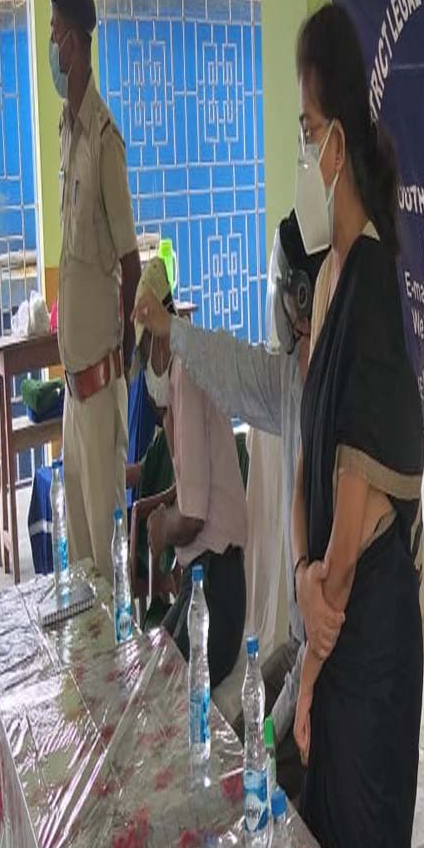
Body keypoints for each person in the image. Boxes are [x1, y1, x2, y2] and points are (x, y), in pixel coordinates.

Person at [288, 3, 424, 848]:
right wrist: (302, 578)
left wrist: (310, 651)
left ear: (336, 142)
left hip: (366, 647)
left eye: (306, 131)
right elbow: (310, 441)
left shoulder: (374, 282)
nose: (302, 152)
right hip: (331, 614)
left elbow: (358, 508)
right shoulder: (333, 274)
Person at [133, 212, 328, 799]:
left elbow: (333, 589)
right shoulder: (290, 379)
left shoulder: (334, 394)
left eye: (280, 290)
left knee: (239, 766)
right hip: (298, 641)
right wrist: (172, 330)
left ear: (301, 300)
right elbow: (234, 364)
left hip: (322, 657)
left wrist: (285, 710)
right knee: (227, 735)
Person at [49, 0, 140, 583]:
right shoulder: (67, 133)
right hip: (72, 393)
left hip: (101, 387)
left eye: (55, 32)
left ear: (76, 46)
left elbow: (131, 265)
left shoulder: (106, 142)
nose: (51, 45)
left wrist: (122, 370)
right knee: (80, 560)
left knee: (107, 562)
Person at [134, 258, 247, 689]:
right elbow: (188, 484)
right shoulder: (178, 379)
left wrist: (163, 527)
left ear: (161, 339)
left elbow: (194, 517)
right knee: (150, 671)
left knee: (165, 689)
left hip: (217, 587)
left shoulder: (187, 374)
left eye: (146, 349)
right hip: (200, 579)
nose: (145, 364)